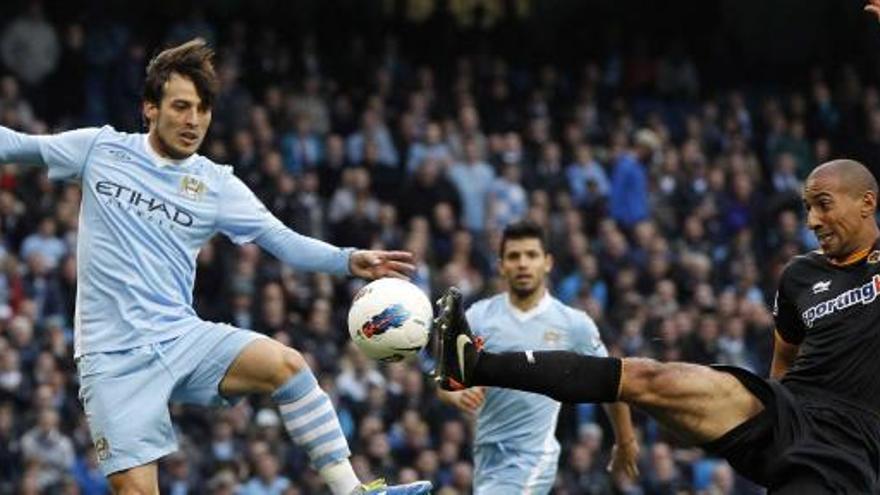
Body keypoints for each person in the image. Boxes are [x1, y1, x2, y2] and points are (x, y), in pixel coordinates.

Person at [0, 39, 431, 495]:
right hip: (112, 359)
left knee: (287, 365)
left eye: (203, 109)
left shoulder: (215, 183)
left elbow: (282, 241)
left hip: (181, 337)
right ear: (150, 107)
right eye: (182, 106)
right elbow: (16, 145)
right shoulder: (99, 150)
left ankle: (351, 490)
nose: (193, 121)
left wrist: (348, 260)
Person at [435, 159, 880, 493]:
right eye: (807, 208)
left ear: (867, 203)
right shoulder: (800, 275)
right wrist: (773, 444)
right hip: (787, 410)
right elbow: (783, 365)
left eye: (823, 205)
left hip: (853, 444)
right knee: (649, 375)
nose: (812, 221)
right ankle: (473, 364)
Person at [436, 220, 639, 494]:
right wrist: (456, 394)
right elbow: (444, 381)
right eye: (514, 256)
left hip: (533, 457)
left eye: (531, 255)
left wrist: (625, 441)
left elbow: (612, 384)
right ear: (501, 265)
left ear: (548, 263)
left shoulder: (572, 323)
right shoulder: (477, 317)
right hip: (487, 455)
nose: (522, 263)